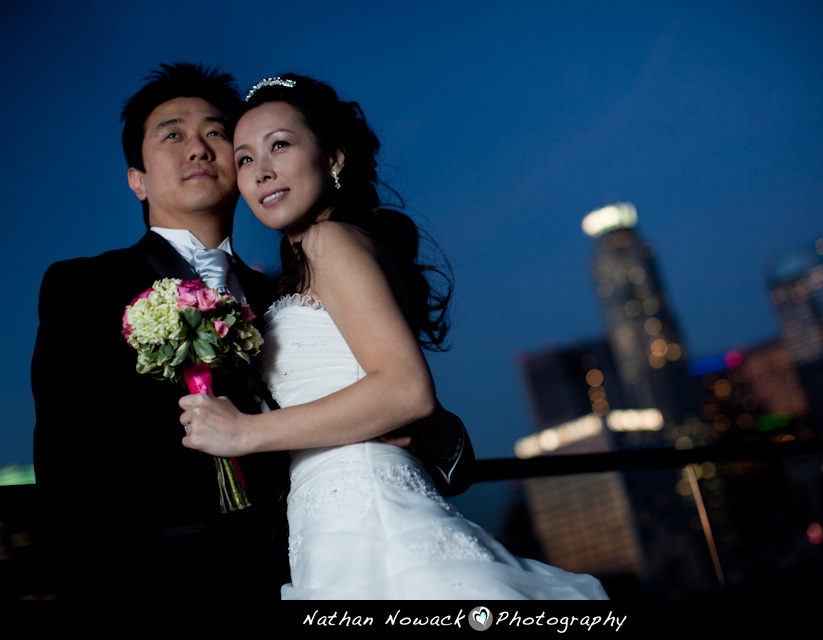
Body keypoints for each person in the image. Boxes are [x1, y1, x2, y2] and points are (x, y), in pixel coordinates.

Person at [31, 62, 473, 600]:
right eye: (173, 134)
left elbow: (395, 398)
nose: (198, 148)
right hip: (165, 588)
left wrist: (434, 432)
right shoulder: (87, 286)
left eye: (216, 133)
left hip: (309, 567)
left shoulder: (285, 294)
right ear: (137, 179)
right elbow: (68, 471)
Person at [178, 73, 608, 599]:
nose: (261, 172)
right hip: (331, 525)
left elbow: (406, 390)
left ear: (333, 158)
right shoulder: (311, 262)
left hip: (372, 519)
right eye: (244, 159)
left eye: (280, 145)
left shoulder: (328, 239)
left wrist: (243, 433)